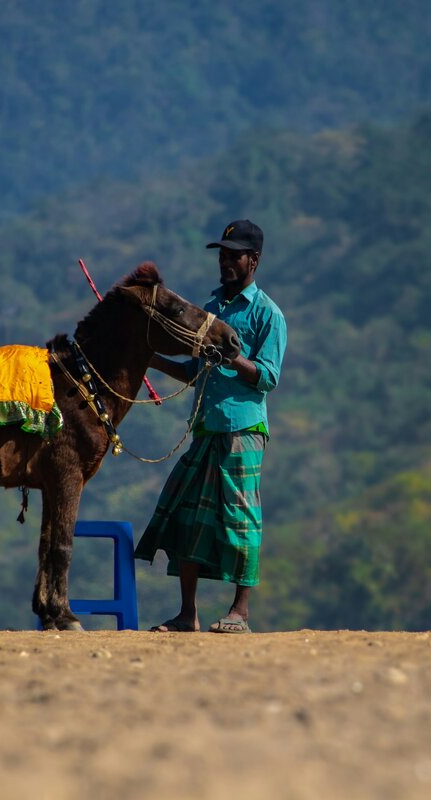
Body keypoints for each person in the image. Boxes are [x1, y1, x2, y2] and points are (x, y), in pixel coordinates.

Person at [134, 219, 287, 633]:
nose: (225, 261)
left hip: (243, 429)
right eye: (222, 254)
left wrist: (233, 359)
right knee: (188, 515)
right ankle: (188, 614)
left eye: (233, 255)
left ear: (253, 260)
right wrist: (152, 359)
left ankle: (240, 612)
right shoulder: (211, 309)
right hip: (205, 426)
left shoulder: (268, 315)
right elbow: (195, 372)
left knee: (240, 517)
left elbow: (268, 377)